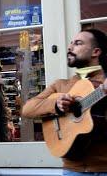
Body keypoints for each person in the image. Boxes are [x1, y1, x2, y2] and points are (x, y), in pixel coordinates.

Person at [21, 29, 107, 175]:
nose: (70, 47)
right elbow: (27, 109)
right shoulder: (61, 85)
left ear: (96, 52)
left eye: (78, 43)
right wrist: (56, 105)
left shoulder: (104, 83)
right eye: (71, 43)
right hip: (72, 169)